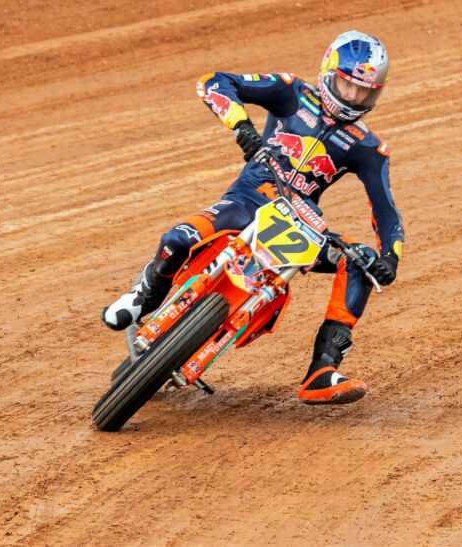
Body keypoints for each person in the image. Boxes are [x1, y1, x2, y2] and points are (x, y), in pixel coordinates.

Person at [102, 30, 404, 405]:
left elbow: (386, 210)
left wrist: (390, 257)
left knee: (359, 263)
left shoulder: (368, 147)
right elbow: (215, 82)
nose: (355, 97)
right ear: (330, 72)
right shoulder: (292, 91)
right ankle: (143, 297)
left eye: (366, 91)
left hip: (302, 223)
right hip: (247, 201)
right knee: (178, 238)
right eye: (348, 84)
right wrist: (242, 127)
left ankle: (321, 371)